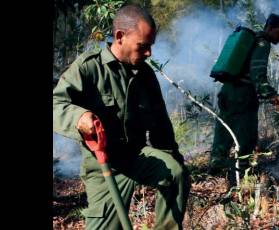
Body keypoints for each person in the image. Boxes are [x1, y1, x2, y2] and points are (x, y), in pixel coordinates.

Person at [53, 5, 190, 230]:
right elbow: (56, 104)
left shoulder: (145, 74)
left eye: (150, 47)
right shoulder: (89, 68)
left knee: (174, 172)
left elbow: (161, 127)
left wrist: (175, 164)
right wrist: (79, 117)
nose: (149, 53)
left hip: (137, 156)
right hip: (104, 164)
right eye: (143, 46)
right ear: (119, 37)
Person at [209, 13, 279, 177]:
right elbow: (257, 74)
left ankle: (215, 167)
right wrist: (271, 94)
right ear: (270, 28)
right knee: (246, 137)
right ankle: (241, 174)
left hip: (227, 91)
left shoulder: (251, 40)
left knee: (223, 131)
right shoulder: (262, 44)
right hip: (243, 95)